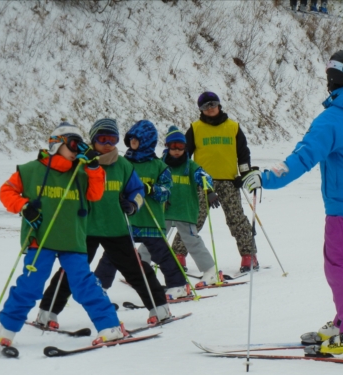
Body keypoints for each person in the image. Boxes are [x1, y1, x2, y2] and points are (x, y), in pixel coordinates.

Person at [242, 50, 343, 358]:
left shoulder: (332, 120)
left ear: (332, 79)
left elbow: (302, 158)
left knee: (339, 266)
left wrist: (266, 178)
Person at [0, 120, 127, 348]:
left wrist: (94, 167)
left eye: (80, 145)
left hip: (72, 239)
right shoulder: (30, 171)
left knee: (85, 284)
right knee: (30, 285)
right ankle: (6, 330)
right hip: (41, 240)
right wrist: (24, 206)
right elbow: (6, 191)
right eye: (73, 144)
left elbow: (96, 194)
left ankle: (109, 327)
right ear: (57, 144)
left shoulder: (82, 174)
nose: (78, 150)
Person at [36, 118, 172, 327]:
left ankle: (159, 308)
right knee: (70, 271)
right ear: (93, 139)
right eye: (103, 138)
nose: (108, 144)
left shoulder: (124, 165)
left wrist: (133, 205)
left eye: (113, 139)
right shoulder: (79, 163)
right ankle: (47, 313)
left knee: (135, 269)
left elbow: (137, 191)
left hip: (115, 228)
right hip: (83, 229)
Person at [95, 120, 190, 300]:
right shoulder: (122, 163)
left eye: (136, 139)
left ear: (146, 141)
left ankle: (178, 285)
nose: (132, 142)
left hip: (149, 219)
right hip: (126, 220)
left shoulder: (159, 166)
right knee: (112, 255)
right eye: (130, 139)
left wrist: (151, 189)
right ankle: (99, 287)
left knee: (162, 255)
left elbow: (167, 192)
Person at [173, 91, 258, 273]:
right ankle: (178, 256)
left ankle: (249, 255)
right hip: (201, 181)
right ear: (201, 110)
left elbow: (243, 153)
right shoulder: (195, 128)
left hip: (229, 181)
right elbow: (184, 155)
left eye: (212, 105)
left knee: (236, 218)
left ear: (219, 105)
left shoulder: (233, 127)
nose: (210, 109)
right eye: (205, 107)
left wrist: (243, 174)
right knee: (193, 218)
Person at [138, 126, 223, 287]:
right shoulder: (160, 164)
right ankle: (140, 268)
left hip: (185, 211)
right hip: (163, 211)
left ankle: (210, 271)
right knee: (152, 239)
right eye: (173, 147)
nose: (177, 151)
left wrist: (209, 191)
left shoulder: (190, 166)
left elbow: (204, 177)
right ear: (167, 147)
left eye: (181, 147)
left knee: (192, 241)